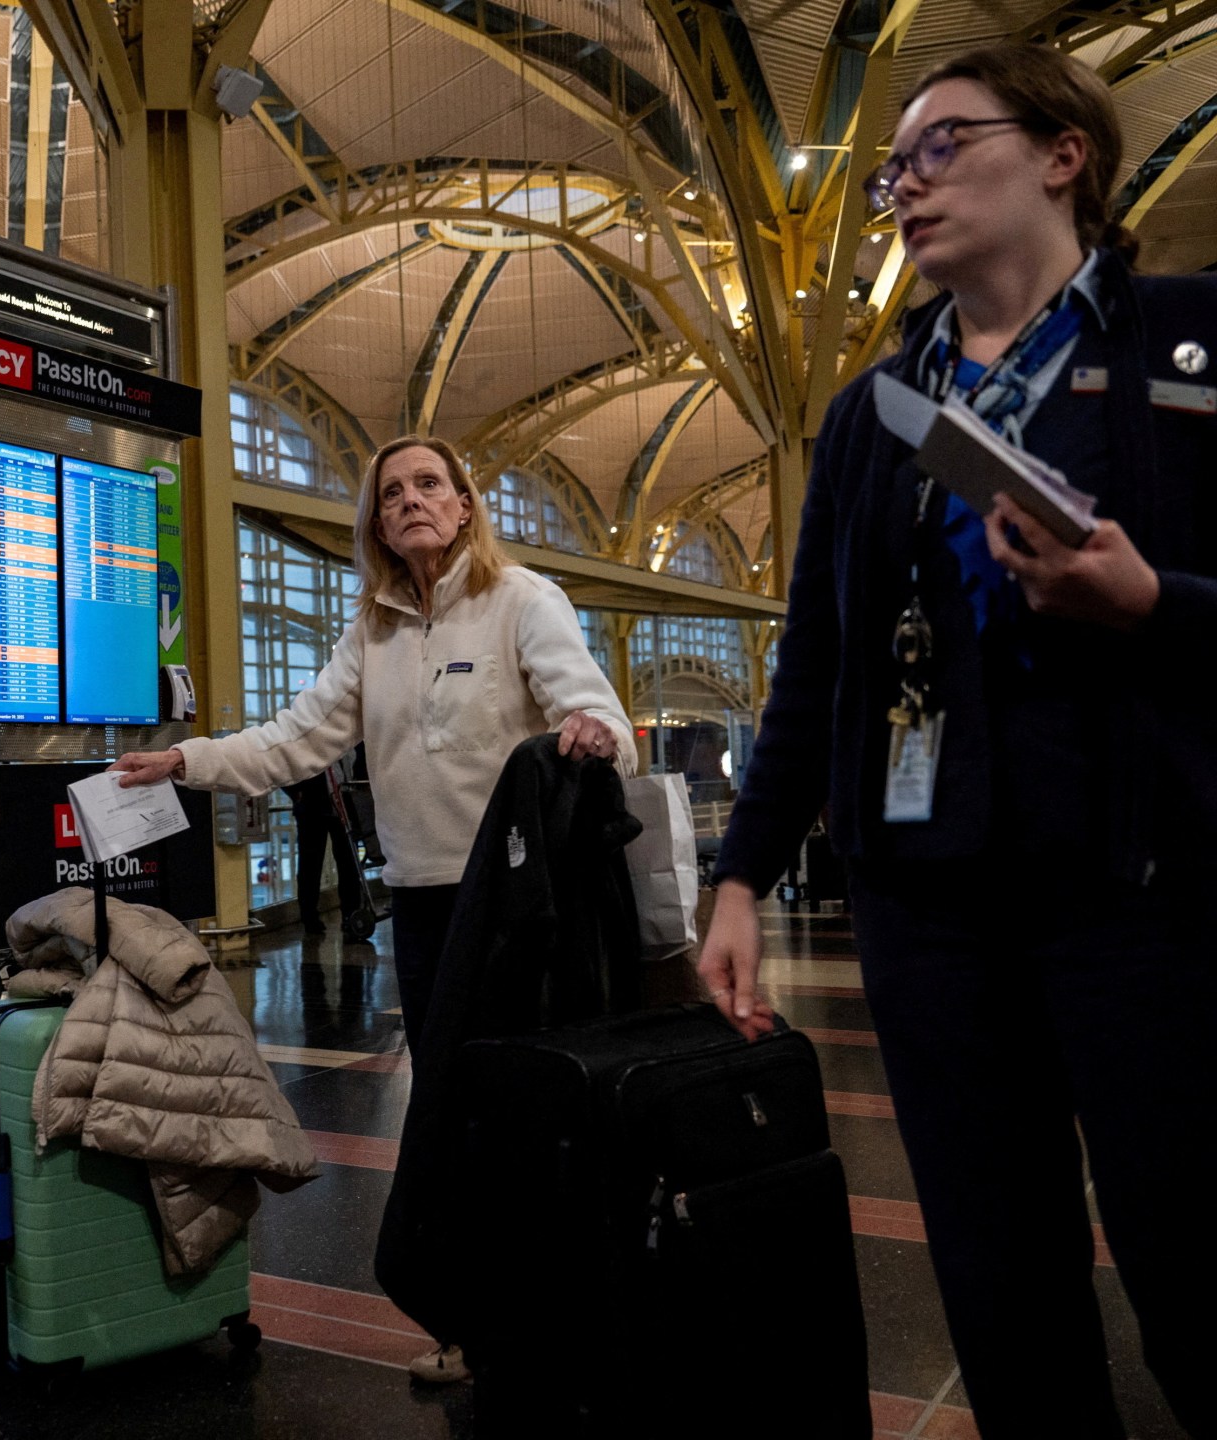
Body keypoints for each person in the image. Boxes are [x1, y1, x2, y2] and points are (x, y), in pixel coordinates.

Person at [700, 43, 1217, 1435]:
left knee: (1193, 1254)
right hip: (929, 906)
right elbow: (819, 660)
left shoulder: (1188, 341)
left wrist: (1154, 604)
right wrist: (742, 874)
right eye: (891, 173)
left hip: (1144, 894)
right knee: (1001, 1279)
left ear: (1063, 154)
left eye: (941, 147)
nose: (907, 187)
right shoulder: (878, 410)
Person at [113, 434, 634, 1384]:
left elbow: (596, 715)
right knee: (450, 1121)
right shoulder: (371, 636)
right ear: (378, 526)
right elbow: (293, 740)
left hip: (521, 911)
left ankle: (560, 1322)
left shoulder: (522, 601)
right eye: (392, 493)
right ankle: (475, 1325)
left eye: (429, 484)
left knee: (528, 1113)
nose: (411, 501)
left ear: (465, 505)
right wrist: (187, 761)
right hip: (427, 915)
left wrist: (594, 733)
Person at [282, 762, 365, 938]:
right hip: (312, 808)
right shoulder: (306, 749)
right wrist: (297, 794)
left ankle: (350, 914)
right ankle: (309, 917)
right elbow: (282, 769)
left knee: (348, 862)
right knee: (310, 865)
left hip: (342, 806)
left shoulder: (339, 750)